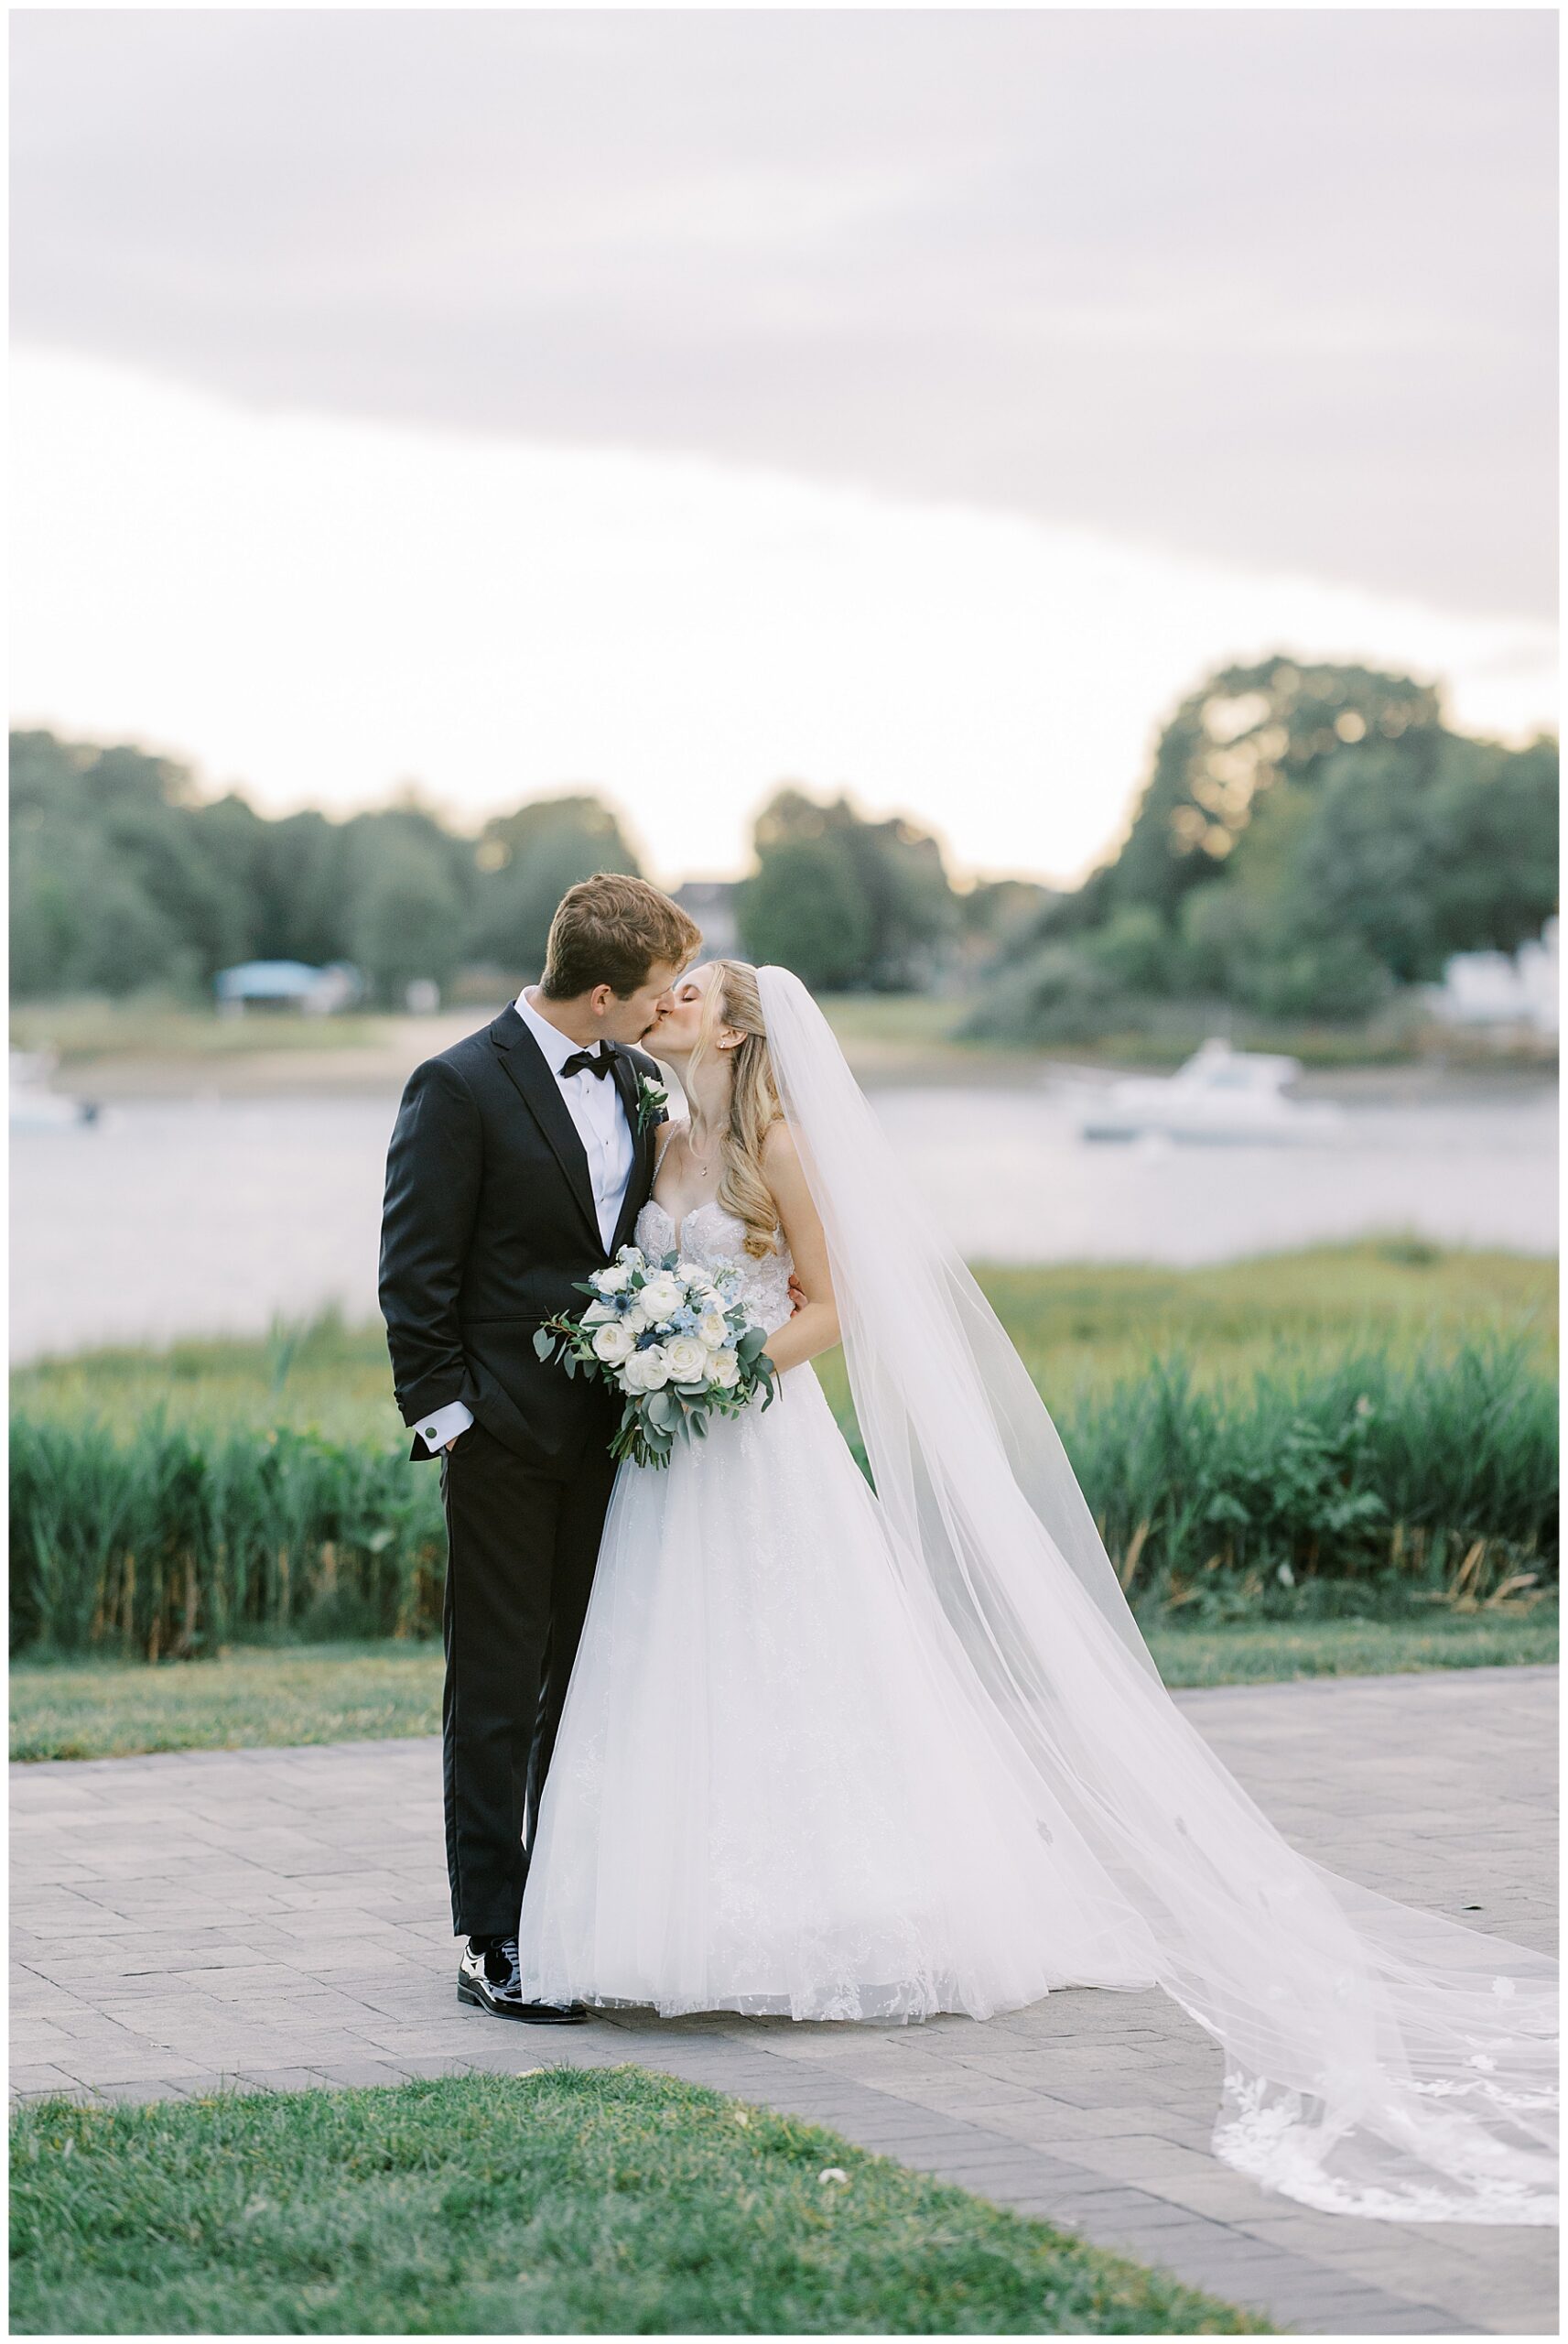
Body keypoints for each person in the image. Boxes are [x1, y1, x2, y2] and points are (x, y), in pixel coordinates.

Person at [513, 958, 1558, 2226]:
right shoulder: (667, 1136)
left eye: (689, 991)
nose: (665, 999)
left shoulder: (779, 1144)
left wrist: (721, 1367)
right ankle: (654, 1925)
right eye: (661, 990)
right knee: (672, 1672)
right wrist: (644, 1346)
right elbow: (647, 1279)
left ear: (736, 1026)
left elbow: (833, 1309)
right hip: (670, 1467)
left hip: (756, 1436)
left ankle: (838, 1920)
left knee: (801, 1664)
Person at [378, 873, 701, 2023]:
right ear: (603, 992)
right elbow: (414, 1275)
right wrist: (454, 1422)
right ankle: (490, 1938)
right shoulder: (458, 1085)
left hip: (617, 1434)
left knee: (590, 1675)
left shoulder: (640, 1077)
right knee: (499, 1685)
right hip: (503, 1441)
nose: (673, 1010)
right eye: (660, 993)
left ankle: (567, 1908)